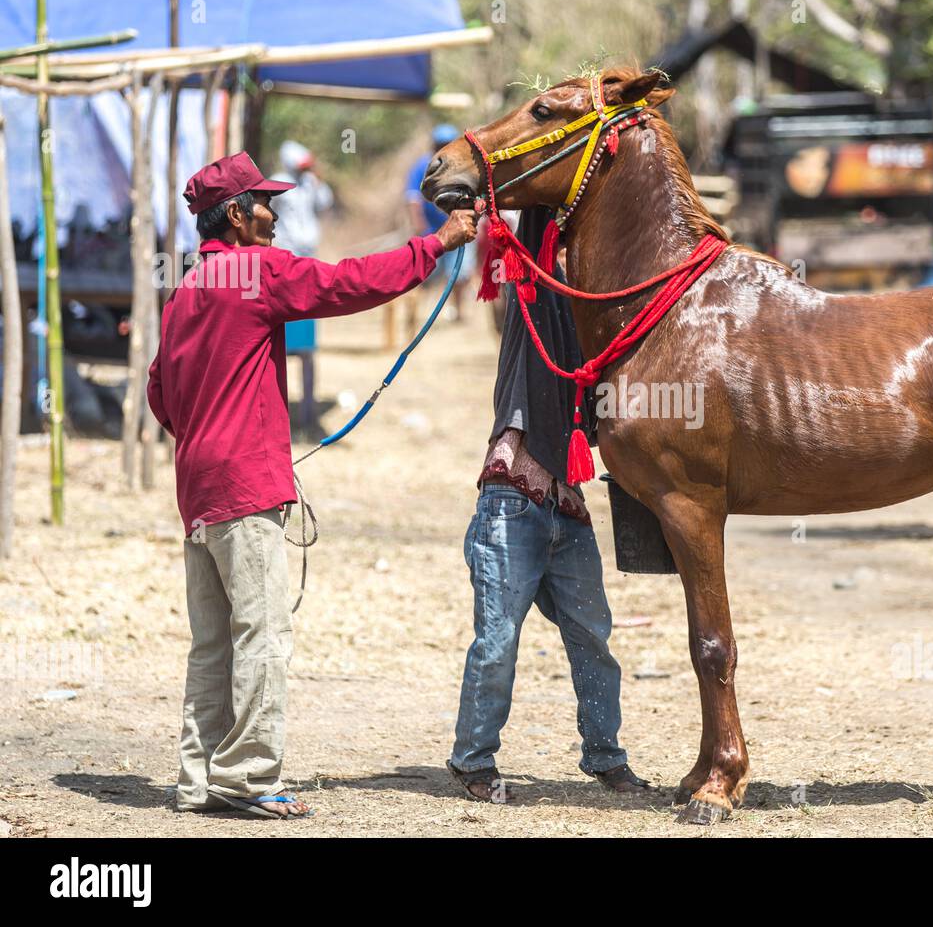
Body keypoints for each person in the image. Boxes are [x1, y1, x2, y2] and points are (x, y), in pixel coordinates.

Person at [147, 151, 478, 819]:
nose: (275, 214)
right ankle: (247, 779)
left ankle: (200, 779)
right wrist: (436, 244)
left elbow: (161, 397)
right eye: (264, 204)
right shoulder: (257, 270)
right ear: (237, 215)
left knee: (214, 644)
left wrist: (213, 429)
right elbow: (346, 284)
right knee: (262, 637)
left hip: (200, 491)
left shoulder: (185, 289)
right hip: (245, 489)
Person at [447, 208, 650, 803]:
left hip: (565, 500)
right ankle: (473, 761)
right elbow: (535, 243)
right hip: (511, 500)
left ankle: (606, 756)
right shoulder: (532, 295)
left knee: (592, 634)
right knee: (497, 641)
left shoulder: (595, 314)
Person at [270, 141, 334, 433]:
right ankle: (278, 411)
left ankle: (307, 412)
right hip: (285, 264)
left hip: (308, 264)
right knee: (280, 343)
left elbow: (326, 202)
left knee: (307, 346)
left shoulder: (310, 184)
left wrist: (316, 176)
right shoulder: (277, 184)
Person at [405, 125, 474, 326]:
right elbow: (412, 198)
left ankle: (459, 312)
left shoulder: (463, 165)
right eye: (440, 144)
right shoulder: (422, 167)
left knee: (459, 274)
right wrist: (418, 223)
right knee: (425, 274)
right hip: (431, 232)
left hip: (459, 228)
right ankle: (416, 311)